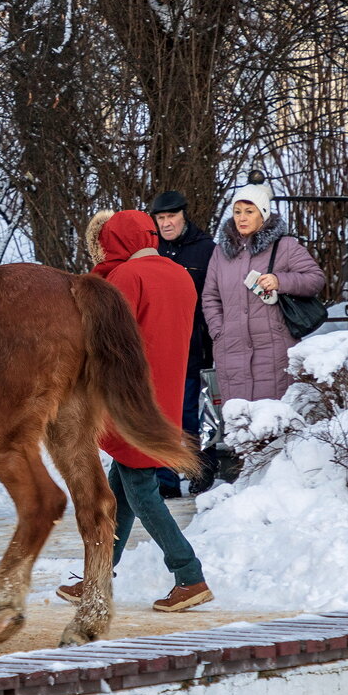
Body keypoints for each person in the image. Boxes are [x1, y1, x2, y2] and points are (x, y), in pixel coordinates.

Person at [57, 210, 213, 612]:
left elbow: (105, 339)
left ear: (116, 243)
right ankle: (99, 575)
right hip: (166, 392)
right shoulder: (179, 273)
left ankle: (189, 575)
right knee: (122, 486)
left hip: (132, 399)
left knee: (141, 490)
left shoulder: (128, 277)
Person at [202, 182, 326, 403]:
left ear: (263, 214)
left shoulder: (285, 247)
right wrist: (219, 331)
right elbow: (210, 296)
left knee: (273, 420)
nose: (242, 218)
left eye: (249, 212)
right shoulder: (220, 253)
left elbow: (315, 279)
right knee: (238, 419)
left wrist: (280, 281)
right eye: (237, 212)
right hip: (231, 348)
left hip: (274, 348)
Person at [149, 191, 218, 496]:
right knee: (161, 414)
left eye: (171, 217)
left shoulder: (206, 250)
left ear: (184, 215)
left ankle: (199, 471)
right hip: (158, 347)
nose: (166, 223)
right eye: (160, 218)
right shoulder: (151, 250)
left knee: (192, 413)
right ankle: (165, 481)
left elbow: (215, 298)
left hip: (193, 345)